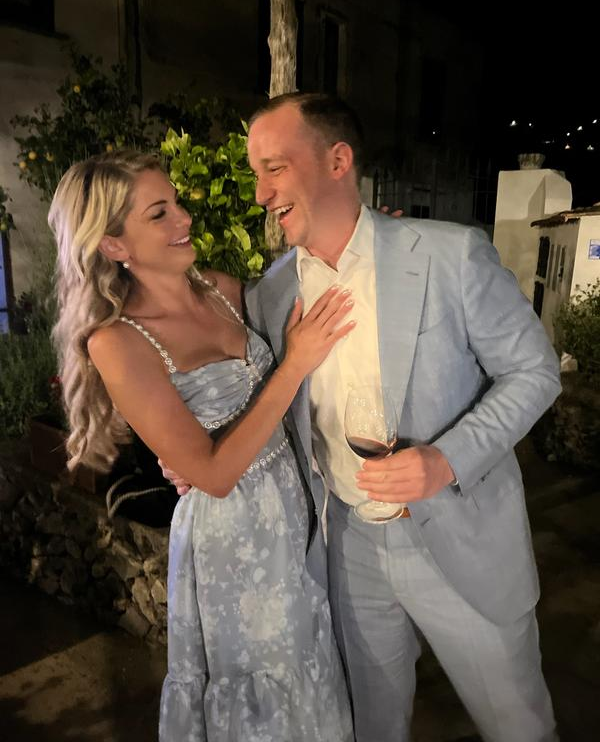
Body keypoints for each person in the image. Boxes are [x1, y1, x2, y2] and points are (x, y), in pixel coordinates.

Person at [240, 93, 561, 742]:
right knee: (374, 727)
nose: (260, 193)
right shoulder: (271, 294)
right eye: (256, 174)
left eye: (274, 168)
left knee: (518, 727)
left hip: (459, 535)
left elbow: (535, 373)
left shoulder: (449, 255)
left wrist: (447, 459)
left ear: (338, 161)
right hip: (348, 544)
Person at [47, 150, 355, 742]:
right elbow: (211, 474)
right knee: (265, 693)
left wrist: (362, 240)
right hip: (231, 537)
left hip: (293, 510)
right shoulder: (118, 343)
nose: (184, 218)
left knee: (309, 661)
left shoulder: (221, 290)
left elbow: (313, 272)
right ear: (114, 245)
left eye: (176, 203)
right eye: (159, 213)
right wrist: (292, 365)